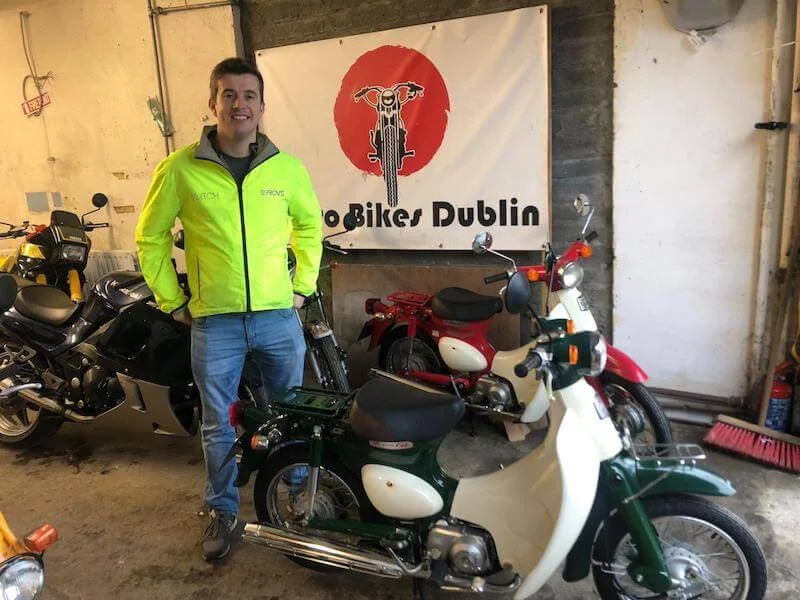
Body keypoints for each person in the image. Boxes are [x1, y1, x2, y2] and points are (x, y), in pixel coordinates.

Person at [135, 57, 322, 561]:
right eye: (229, 95)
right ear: (212, 102)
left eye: (249, 95)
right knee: (218, 423)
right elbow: (150, 237)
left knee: (291, 412)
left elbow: (310, 227)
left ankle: (295, 494)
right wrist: (172, 300)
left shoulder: (286, 168)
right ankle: (222, 509)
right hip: (215, 322)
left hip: (278, 317)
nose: (240, 104)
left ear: (262, 105)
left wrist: (301, 287)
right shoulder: (179, 169)